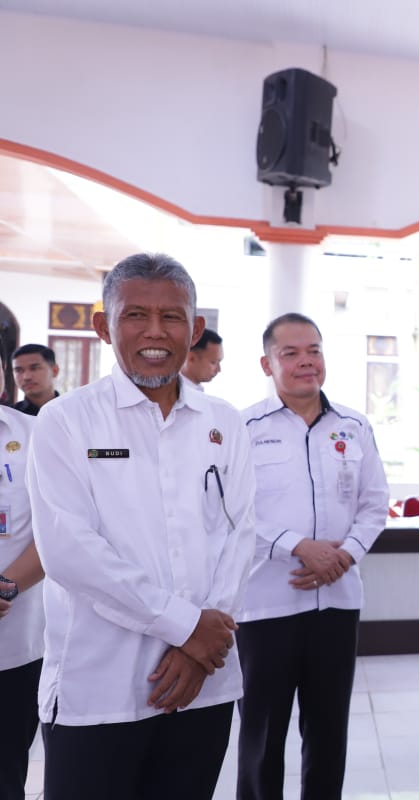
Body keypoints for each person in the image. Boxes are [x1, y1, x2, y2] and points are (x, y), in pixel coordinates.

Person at [26, 252, 257, 800]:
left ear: (194, 330)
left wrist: (201, 646)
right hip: (97, 692)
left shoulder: (224, 423)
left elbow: (241, 535)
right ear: (104, 327)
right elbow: (70, 552)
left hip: (204, 685)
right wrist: (187, 628)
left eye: (172, 317)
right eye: (135, 315)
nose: (155, 331)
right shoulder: (66, 421)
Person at [237, 312, 389, 800]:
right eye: (291, 353)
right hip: (266, 605)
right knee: (262, 734)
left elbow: (374, 503)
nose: (306, 362)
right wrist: (298, 546)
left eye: (314, 351)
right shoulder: (243, 428)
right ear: (268, 364)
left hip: (337, 603)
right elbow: (230, 511)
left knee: (328, 730)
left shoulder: (353, 425)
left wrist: (344, 556)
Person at [0, 344, 45, 800]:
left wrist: (5, 587)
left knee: (6, 770)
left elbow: (59, 530)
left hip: (15, 644)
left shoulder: (35, 436)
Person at [12, 343, 59, 416]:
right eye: (19, 370)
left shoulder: (71, 411)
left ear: (55, 371)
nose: (26, 377)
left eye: (34, 368)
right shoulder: (10, 416)